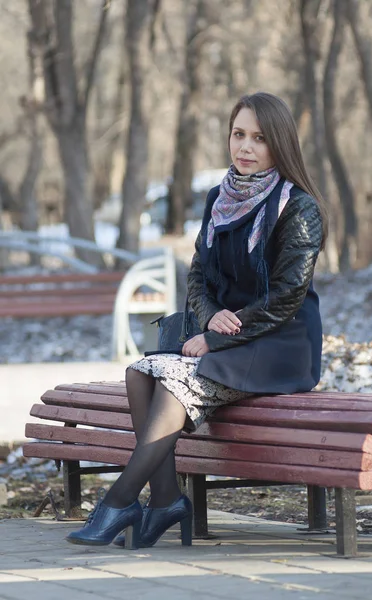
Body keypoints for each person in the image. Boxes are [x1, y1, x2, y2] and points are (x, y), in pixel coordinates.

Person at [66, 91, 327, 548]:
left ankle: (119, 501)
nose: (245, 147)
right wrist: (211, 322)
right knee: (139, 372)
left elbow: (287, 297)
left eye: (259, 138)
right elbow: (198, 275)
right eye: (238, 134)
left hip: (279, 342)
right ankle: (166, 499)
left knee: (169, 380)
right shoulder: (218, 199)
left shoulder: (298, 207)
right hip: (226, 334)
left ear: (279, 143)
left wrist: (221, 335)